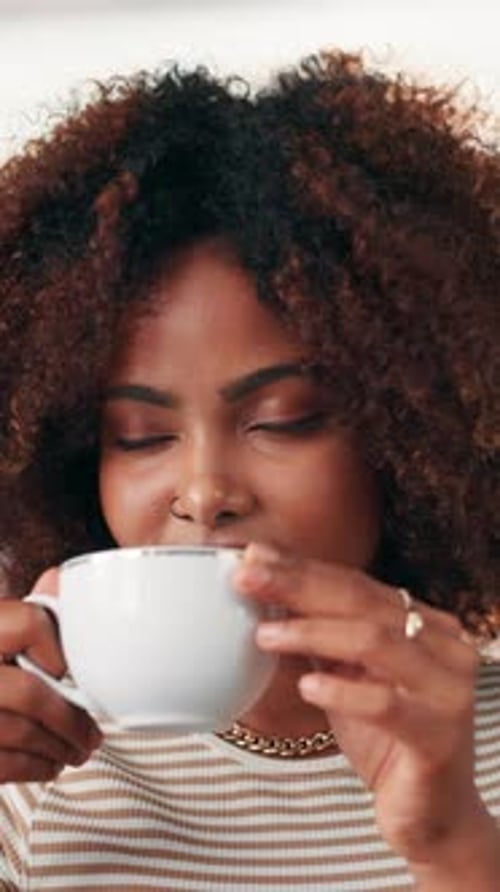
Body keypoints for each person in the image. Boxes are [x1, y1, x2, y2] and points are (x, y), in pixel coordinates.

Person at [0, 49, 498, 891]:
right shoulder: (34, 765)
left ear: (409, 437)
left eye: (284, 420)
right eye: (138, 435)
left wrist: (451, 841)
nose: (204, 494)